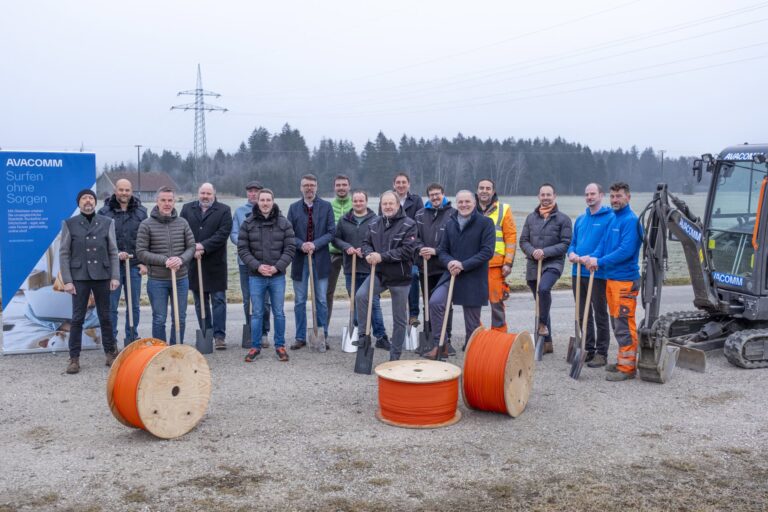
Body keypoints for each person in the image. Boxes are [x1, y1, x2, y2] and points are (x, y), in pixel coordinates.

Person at [583, 182, 643, 382]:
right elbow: (603, 245)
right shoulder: (614, 219)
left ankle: (627, 368)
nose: (615, 200)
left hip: (625, 281)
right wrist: (593, 258)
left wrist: (599, 261)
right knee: (616, 323)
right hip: (612, 280)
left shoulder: (631, 221)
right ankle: (621, 361)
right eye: (613, 196)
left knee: (624, 324)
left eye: (619, 196)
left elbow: (625, 251)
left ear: (628, 197)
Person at [426, 190, 494, 358]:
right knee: (435, 302)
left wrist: (463, 265)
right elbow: (442, 250)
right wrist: (450, 262)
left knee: (472, 322)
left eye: (467, 201)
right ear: (456, 203)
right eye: (460, 202)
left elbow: (487, 252)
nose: (463, 205)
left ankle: (473, 355)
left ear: (474, 202)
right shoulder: (451, 223)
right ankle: (440, 344)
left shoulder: (485, 223)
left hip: (473, 277)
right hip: (452, 274)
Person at [59, 189, 121, 374]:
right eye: (84, 198)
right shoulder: (69, 224)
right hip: (79, 277)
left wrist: (115, 276)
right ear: (79, 203)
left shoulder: (107, 222)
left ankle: (111, 353)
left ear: (96, 202)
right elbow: (64, 253)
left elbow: (113, 251)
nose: (88, 201)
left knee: (106, 317)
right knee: (77, 319)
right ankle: (74, 358)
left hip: (102, 275)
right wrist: (67, 280)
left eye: (91, 198)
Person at [356, 190, 418, 361]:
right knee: (361, 296)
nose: (388, 206)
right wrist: (368, 254)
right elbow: (365, 243)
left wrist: (381, 256)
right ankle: (363, 337)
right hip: (380, 274)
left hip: (400, 277)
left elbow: (406, 251)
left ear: (398, 205)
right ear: (381, 205)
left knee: (399, 319)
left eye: (391, 203)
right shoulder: (374, 224)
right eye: (385, 204)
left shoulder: (409, 224)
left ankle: (395, 356)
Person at [238, 188, 296, 362]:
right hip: (256, 276)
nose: (264, 203)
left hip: (277, 276)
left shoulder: (284, 223)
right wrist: (257, 266)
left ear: (273, 201)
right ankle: (255, 347)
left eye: (268, 200)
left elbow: (290, 248)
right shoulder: (248, 223)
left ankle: (280, 346)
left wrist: (277, 267)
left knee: (279, 312)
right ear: (257, 201)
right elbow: (243, 249)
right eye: (262, 200)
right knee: (256, 313)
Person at [136, 187, 196, 345]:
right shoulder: (146, 225)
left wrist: (181, 259)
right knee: (159, 319)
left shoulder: (183, 223)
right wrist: (164, 260)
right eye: (163, 200)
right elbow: (141, 252)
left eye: (170, 200)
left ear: (174, 202)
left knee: (180, 318)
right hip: (157, 280)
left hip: (181, 279)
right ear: (157, 201)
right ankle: (160, 351)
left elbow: (191, 247)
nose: (167, 203)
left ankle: (176, 349)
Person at [519, 183, 573, 355]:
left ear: (554, 196)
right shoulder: (531, 218)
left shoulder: (563, 219)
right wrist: (533, 251)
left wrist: (545, 252)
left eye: (549, 195)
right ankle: (547, 343)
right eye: (543, 195)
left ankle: (542, 325)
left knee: (544, 289)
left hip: (553, 263)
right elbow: (523, 241)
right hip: (534, 263)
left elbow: (565, 244)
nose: (546, 197)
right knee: (541, 302)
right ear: (538, 197)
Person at [333, 190, 389, 348]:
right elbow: (336, 239)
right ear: (352, 202)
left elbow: (382, 241)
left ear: (366, 201)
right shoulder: (344, 220)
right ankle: (361, 335)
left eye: (361, 200)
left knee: (374, 303)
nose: (358, 203)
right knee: (356, 303)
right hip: (351, 267)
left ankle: (381, 336)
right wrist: (347, 247)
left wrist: (367, 251)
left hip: (370, 268)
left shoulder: (376, 220)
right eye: (355, 201)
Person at [287, 174, 336, 351]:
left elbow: (331, 232)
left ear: (316, 187)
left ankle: (323, 335)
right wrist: (302, 245)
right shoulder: (293, 208)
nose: (309, 188)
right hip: (300, 261)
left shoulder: (326, 207)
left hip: (320, 259)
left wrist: (315, 244)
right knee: (300, 300)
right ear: (301, 188)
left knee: (321, 300)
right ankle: (300, 337)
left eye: (312, 185)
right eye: (306, 185)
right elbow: (289, 233)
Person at [181, 183, 233, 350]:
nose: (205, 196)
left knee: (218, 300)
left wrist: (202, 246)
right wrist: (192, 248)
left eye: (208, 193)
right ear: (198, 193)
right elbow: (182, 230)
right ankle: (206, 332)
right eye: (202, 193)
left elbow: (223, 234)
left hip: (215, 263)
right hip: (194, 263)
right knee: (199, 301)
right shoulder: (187, 209)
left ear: (214, 194)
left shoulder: (224, 210)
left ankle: (219, 336)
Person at [567, 183, 613, 367]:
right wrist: (571, 253)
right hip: (578, 272)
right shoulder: (580, 219)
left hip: (597, 273)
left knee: (600, 312)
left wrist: (593, 257)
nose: (589, 197)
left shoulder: (610, 218)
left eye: (593, 194)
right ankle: (588, 348)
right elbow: (573, 243)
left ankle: (602, 353)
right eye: (587, 194)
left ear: (601, 195)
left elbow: (607, 244)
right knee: (581, 313)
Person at [98, 178, 147, 346]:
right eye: (121, 190)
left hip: (134, 267)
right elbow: (99, 241)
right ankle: (111, 344)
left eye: (127, 190)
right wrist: (116, 254)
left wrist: (142, 262)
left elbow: (145, 240)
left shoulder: (141, 212)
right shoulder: (104, 213)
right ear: (115, 190)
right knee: (111, 308)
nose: (124, 193)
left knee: (133, 307)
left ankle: (132, 339)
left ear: (131, 191)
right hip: (113, 268)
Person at [414, 183, 456, 354]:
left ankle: (447, 340)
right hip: (426, 267)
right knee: (428, 303)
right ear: (428, 197)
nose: (435, 197)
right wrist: (421, 248)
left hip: (444, 267)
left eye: (437, 194)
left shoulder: (453, 214)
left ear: (443, 194)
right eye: (432, 195)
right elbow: (413, 237)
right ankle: (431, 337)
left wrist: (436, 251)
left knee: (445, 304)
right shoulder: (420, 214)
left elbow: (454, 240)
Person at [231, 181, 271, 348]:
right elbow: (234, 234)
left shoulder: (269, 212)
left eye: (256, 191)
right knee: (248, 299)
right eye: (250, 191)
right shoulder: (240, 212)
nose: (253, 194)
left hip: (266, 263)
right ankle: (252, 330)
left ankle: (264, 332)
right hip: (245, 262)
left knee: (265, 300)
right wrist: (245, 246)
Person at [476, 178, 517, 333]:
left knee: (496, 301)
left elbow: (511, 237)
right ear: (477, 190)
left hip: (496, 264)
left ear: (493, 191)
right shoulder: (469, 208)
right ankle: (476, 335)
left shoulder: (503, 209)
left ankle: (498, 335)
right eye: (481, 188)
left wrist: (508, 262)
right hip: (474, 265)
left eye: (488, 188)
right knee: (474, 302)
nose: (484, 191)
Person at [387, 172, 424, 328]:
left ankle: (413, 315)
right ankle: (400, 319)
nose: (401, 185)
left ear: (408, 184)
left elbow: (421, 222)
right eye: (398, 182)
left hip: (412, 249)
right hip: (393, 250)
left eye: (404, 182)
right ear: (393, 184)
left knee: (413, 276)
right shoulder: (388, 200)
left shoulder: (415, 201)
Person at [326, 175, 353, 328]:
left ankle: (356, 328)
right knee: (327, 292)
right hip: (332, 253)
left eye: (344, 184)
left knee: (353, 292)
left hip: (351, 254)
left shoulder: (355, 204)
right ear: (334, 187)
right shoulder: (328, 206)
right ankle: (324, 329)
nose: (341, 187)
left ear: (349, 186)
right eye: (338, 185)